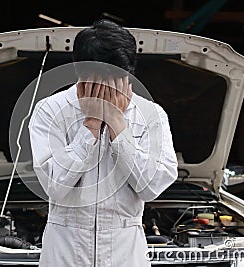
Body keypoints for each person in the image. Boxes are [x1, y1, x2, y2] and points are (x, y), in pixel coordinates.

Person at [28, 18, 178, 267]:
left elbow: (151, 187)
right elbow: (54, 186)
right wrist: (91, 126)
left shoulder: (151, 114)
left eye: (117, 78)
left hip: (125, 249)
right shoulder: (50, 110)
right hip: (65, 249)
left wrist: (117, 125)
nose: (108, 87)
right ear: (80, 71)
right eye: (100, 79)